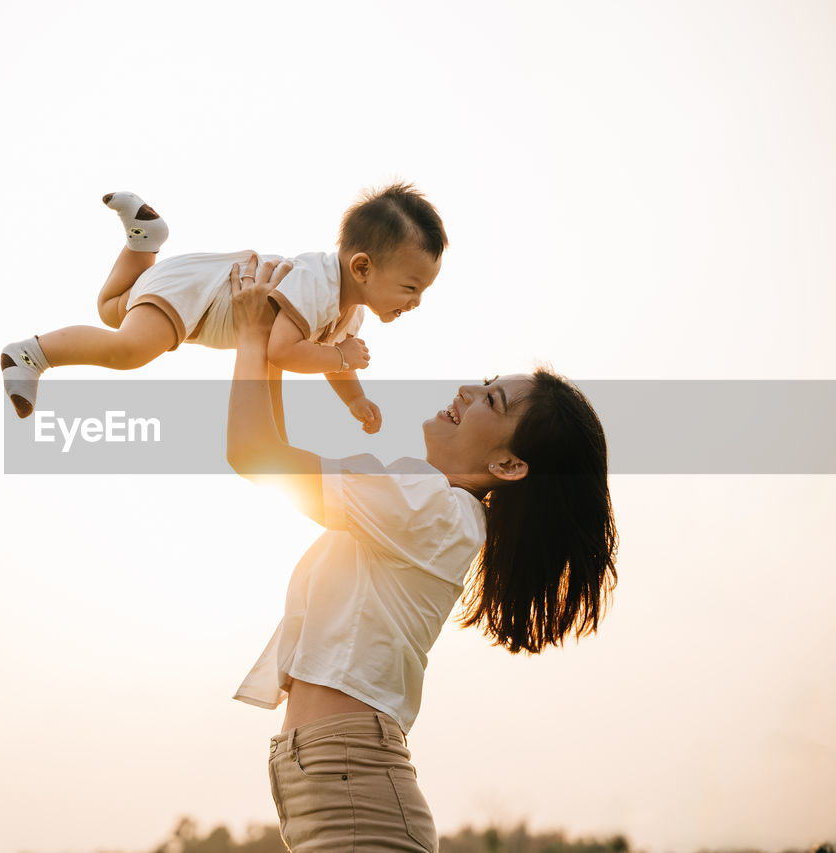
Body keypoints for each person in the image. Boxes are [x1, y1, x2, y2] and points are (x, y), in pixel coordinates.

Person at [224, 256, 618, 852]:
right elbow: (273, 450)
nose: (467, 390)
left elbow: (253, 453)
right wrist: (277, 343)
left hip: (353, 784)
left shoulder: (434, 512)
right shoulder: (426, 510)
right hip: (332, 778)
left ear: (509, 466)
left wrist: (256, 334)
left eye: (492, 400)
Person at [1, 184, 447, 434]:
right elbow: (283, 352)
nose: (416, 301)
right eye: (411, 286)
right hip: (200, 292)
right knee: (130, 349)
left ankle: (145, 241)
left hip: (191, 292)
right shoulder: (318, 283)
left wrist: (355, 397)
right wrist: (341, 356)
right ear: (363, 267)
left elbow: (331, 362)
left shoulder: (348, 312)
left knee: (112, 309)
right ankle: (30, 355)